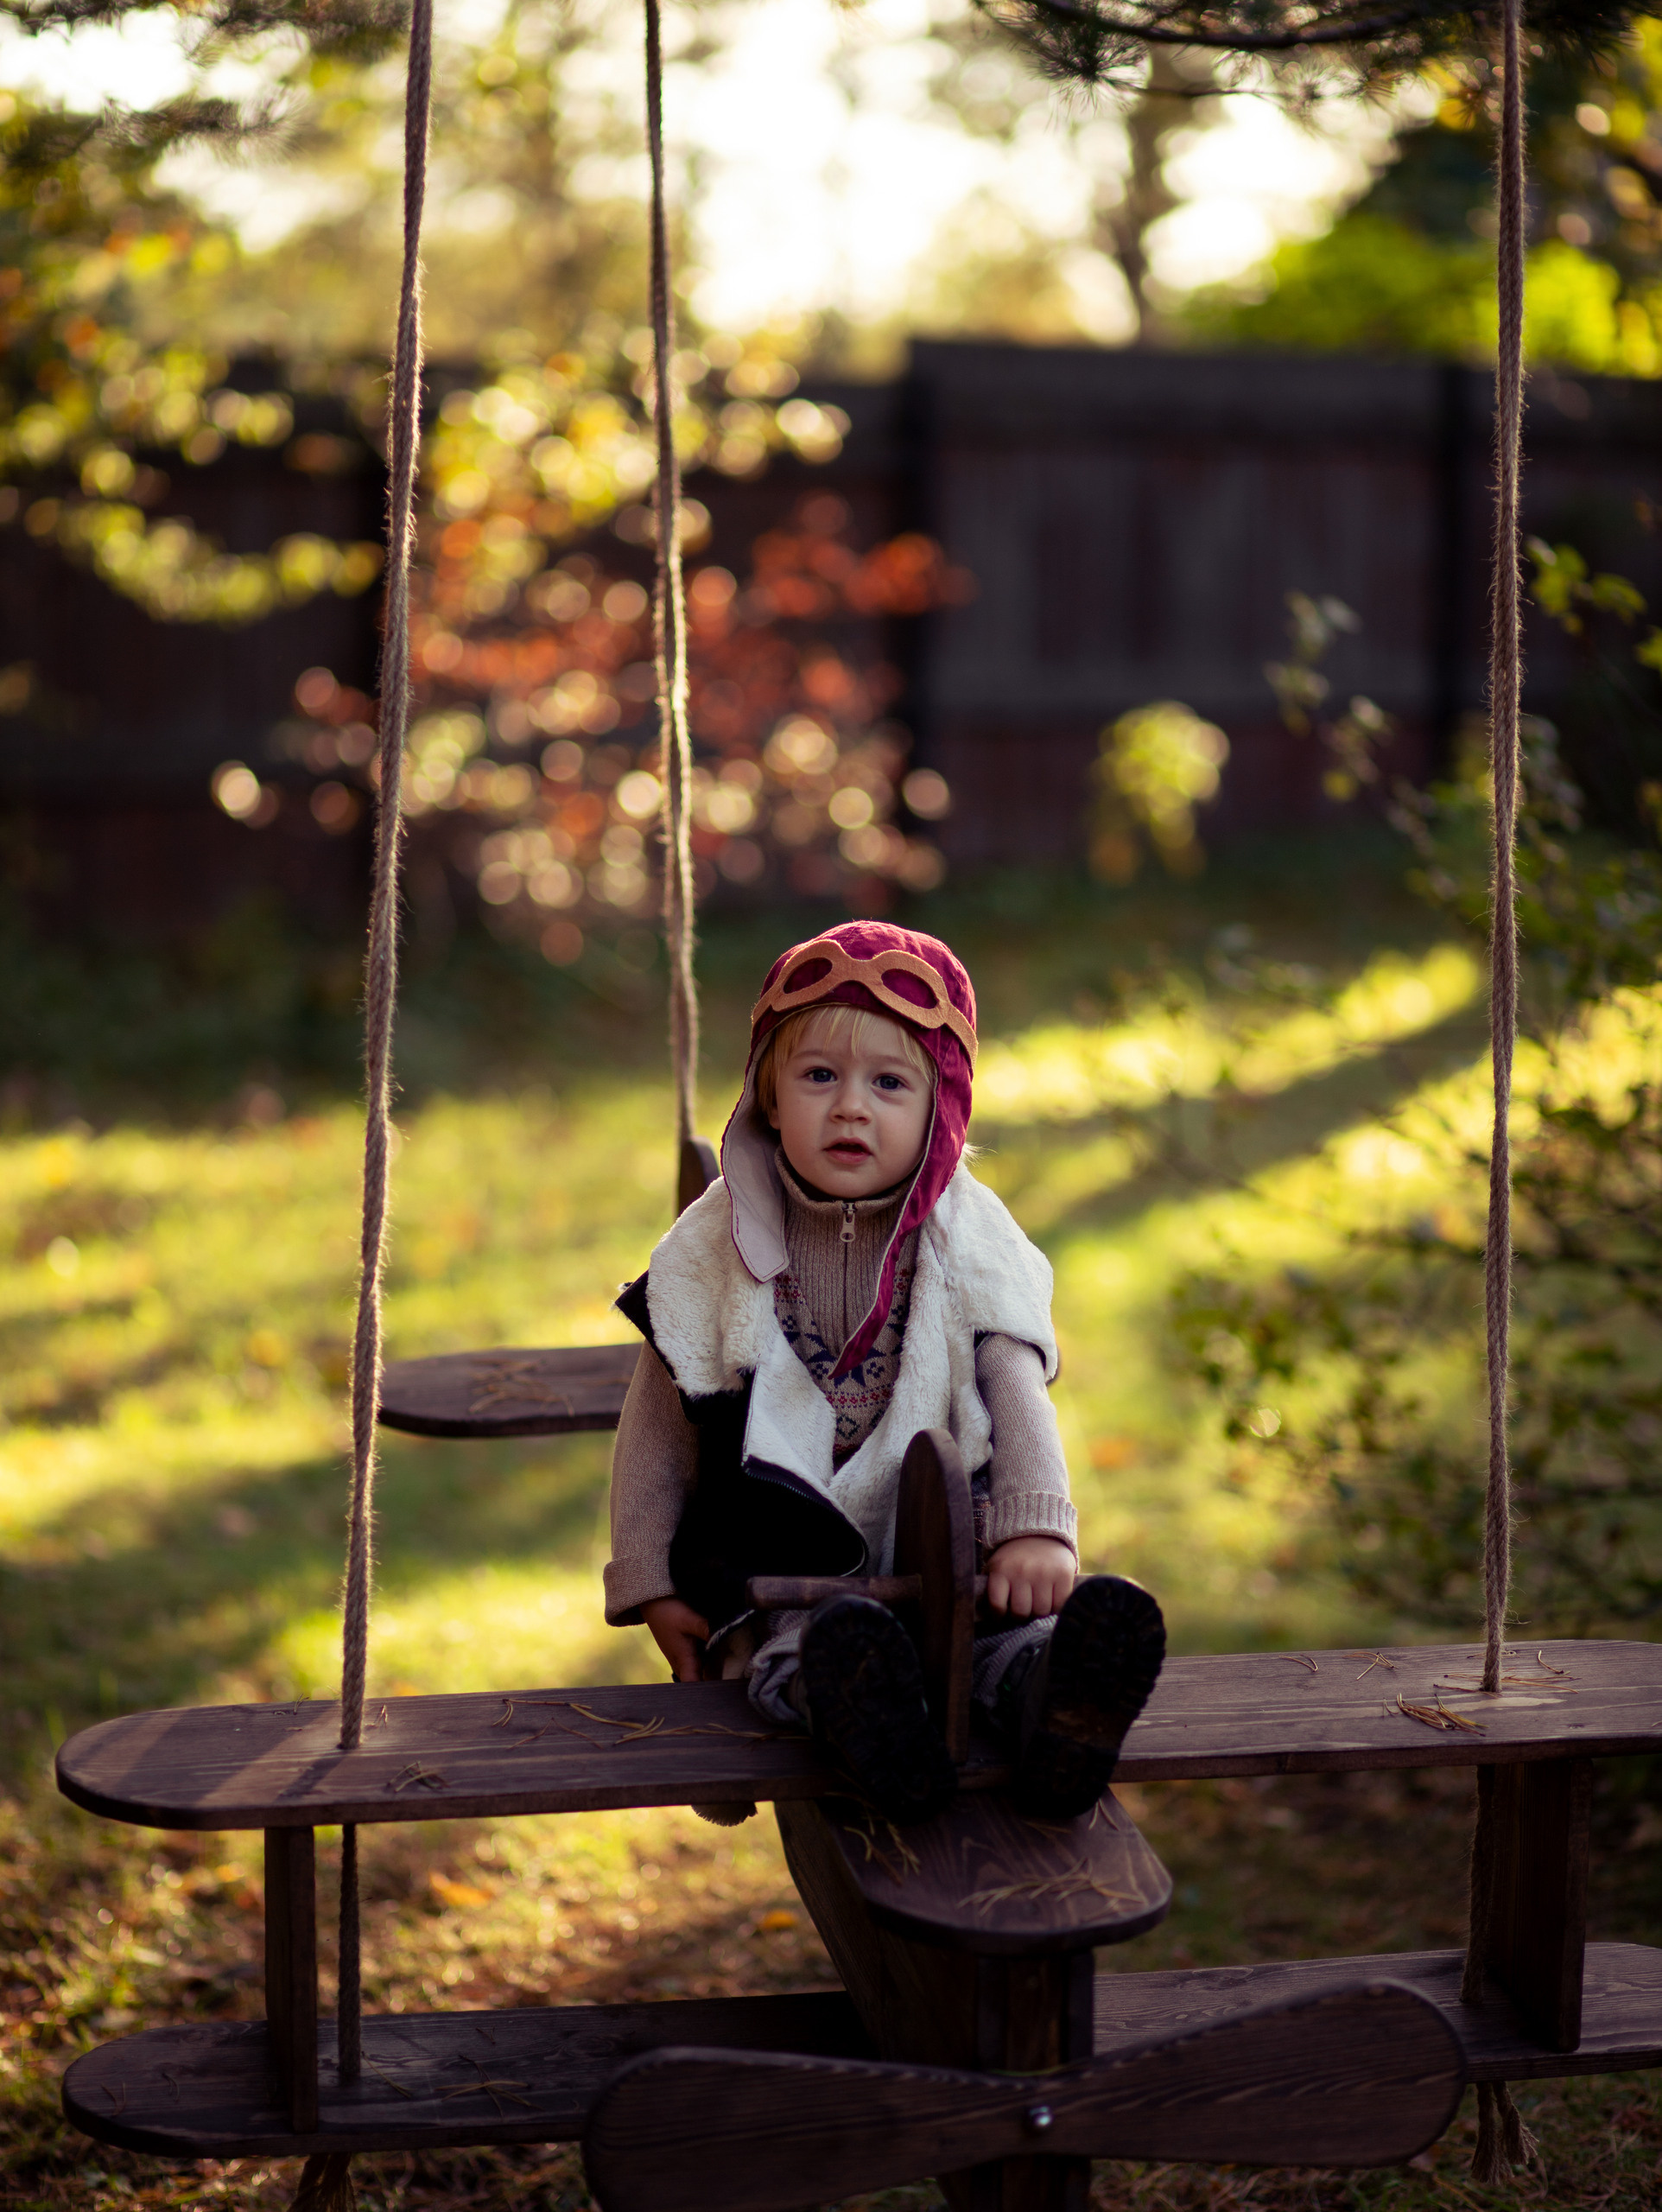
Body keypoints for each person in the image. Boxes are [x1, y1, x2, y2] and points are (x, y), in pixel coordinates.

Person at [605, 920, 1164, 1824]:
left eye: (889, 1082)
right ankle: (871, 1728)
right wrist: (649, 1577)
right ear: (770, 1097)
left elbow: (1014, 1390)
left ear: (941, 1107)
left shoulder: (971, 1239)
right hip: (788, 1557)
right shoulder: (711, 1250)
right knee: (799, 1657)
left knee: (1007, 1639)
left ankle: (1056, 1706)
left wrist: (1034, 1530)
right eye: (818, 1075)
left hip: (949, 1551)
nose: (851, 1107)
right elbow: (659, 1426)